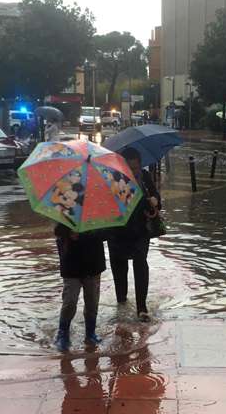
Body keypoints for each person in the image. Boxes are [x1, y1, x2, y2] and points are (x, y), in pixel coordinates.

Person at [108, 147, 161, 323]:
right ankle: (121, 303)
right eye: (128, 168)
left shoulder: (144, 178)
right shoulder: (112, 179)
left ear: (140, 165)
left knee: (141, 265)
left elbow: (156, 199)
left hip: (140, 232)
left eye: (135, 168)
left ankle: (142, 309)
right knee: (119, 269)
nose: (133, 172)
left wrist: (155, 201)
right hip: (117, 233)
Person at [54, 224, 106, 350]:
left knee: (92, 301)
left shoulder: (99, 211)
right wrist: (69, 227)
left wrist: (82, 234)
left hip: (93, 265)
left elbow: (106, 233)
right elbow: (58, 231)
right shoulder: (66, 210)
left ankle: (90, 333)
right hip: (71, 266)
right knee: (70, 300)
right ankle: (63, 334)